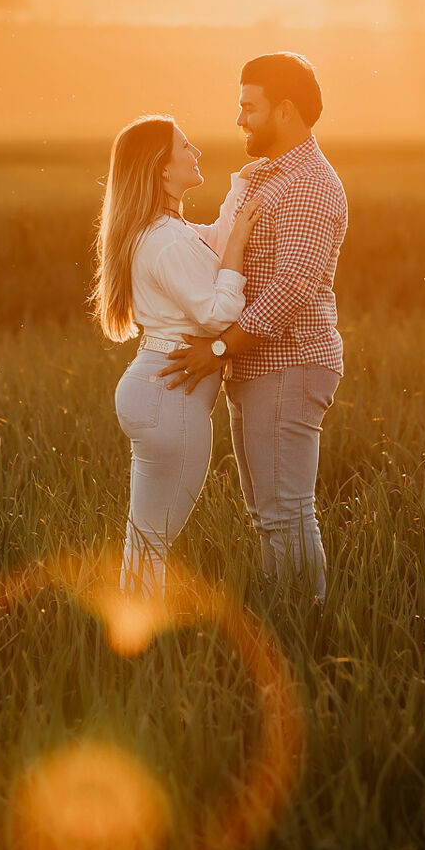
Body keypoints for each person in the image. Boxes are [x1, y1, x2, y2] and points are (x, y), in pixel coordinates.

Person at [161, 53, 348, 605]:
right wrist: (154, 226)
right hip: (257, 366)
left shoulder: (310, 186)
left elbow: (289, 292)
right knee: (268, 514)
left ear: (285, 112)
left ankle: (304, 628)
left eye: (249, 107)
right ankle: (284, 620)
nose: (239, 119)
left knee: (286, 512)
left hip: (290, 367)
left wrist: (217, 348)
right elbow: (217, 242)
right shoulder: (257, 177)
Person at [90, 114, 262, 593]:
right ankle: (141, 644)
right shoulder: (165, 241)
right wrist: (239, 250)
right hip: (171, 396)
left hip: (156, 388)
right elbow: (214, 314)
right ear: (161, 168)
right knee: (152, 543)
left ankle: (129, 639)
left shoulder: (169, 230)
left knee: (144, 539)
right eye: (186, 147)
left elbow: (211, 239)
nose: (197, 152)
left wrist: (239, 191)